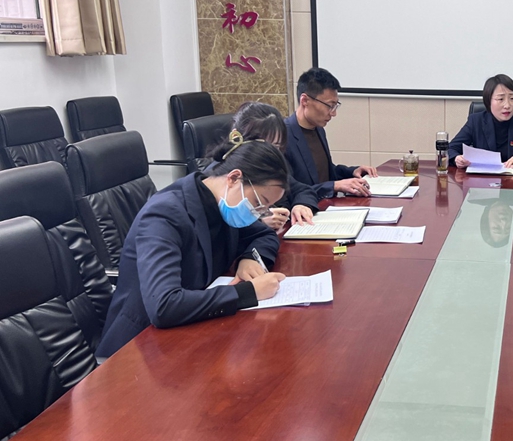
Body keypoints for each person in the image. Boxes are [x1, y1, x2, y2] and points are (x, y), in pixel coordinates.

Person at [96, 136, 289, 358]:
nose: (257, 213)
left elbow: (264, 234)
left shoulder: (221, 202)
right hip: (139, 349)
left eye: (264, 208)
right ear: (234, 178)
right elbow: (163, 306)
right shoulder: (165, 214)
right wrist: (248, 293)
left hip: (193, 332)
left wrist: (250, 258)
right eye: (258, 203)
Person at [207, 102, 320, 232]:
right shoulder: (218, 178)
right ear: (237, 138)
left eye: (275, 146)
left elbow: (302, 190)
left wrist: (301, 205)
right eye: (260, 144)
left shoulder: (271, 168)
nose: (267, 153)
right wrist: (260, 222)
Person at [285, 67, 378, 199]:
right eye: (329, 106)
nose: (333, 113)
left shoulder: (318, 129)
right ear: (305, 100)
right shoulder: (282, 137)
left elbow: (322, 173)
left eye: (335, 106)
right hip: (305, 209)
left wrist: (352, 172)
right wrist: (334, 186)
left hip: (329, 204)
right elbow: (289, 190)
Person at [450, 74, 513, 169]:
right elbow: (450, 149)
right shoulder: (476, 121)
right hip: (484, 178)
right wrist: (457, 159)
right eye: (501, 99)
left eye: (512, 98)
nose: (507, 105)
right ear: (488, 101)